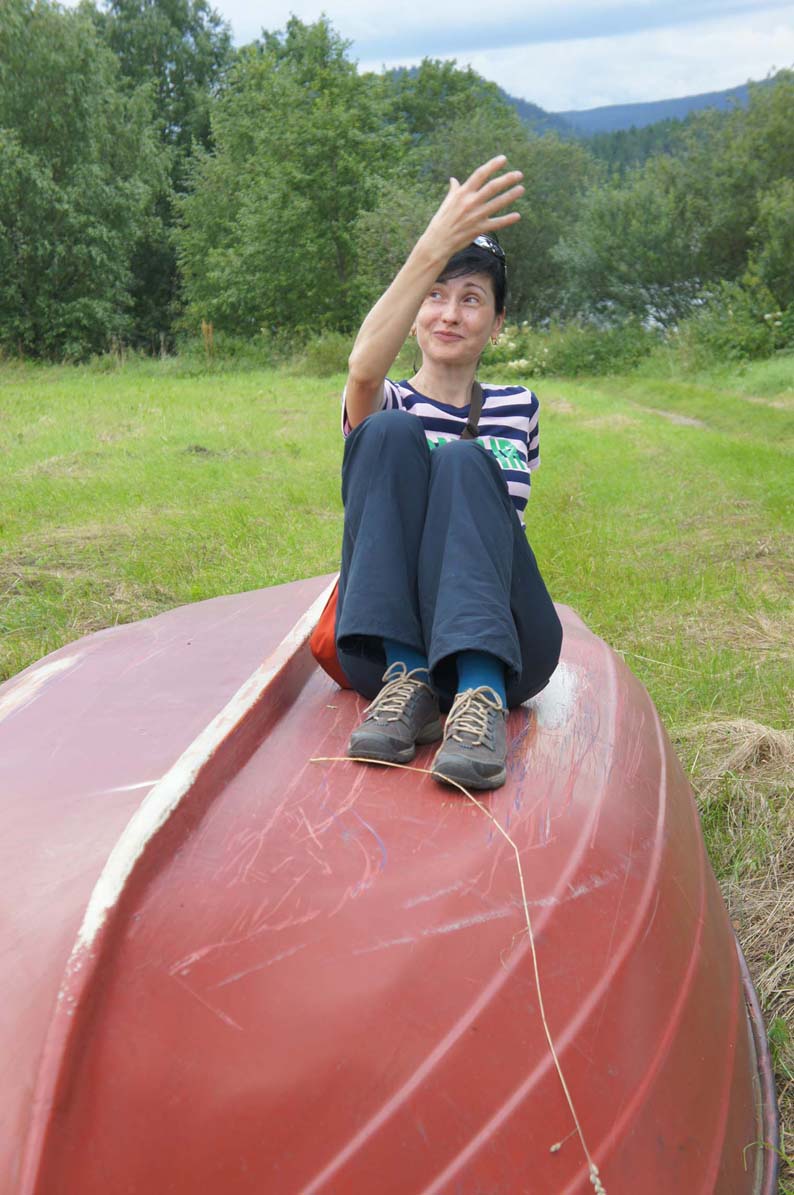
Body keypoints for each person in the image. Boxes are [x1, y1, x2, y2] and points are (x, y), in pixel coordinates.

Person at [336, 155, 562, 791]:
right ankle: (410, 682)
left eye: (471, 300)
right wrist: (430, 247)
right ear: (412, 311)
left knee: (465, 460)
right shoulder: (387, 401)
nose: (450, 314)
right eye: (434, 296)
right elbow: (361, 370)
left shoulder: (519, 406)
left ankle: (479, 696)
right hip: (383, 647)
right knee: (389, 434)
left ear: (497, 322)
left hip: (509, 643)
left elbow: (506, 532)